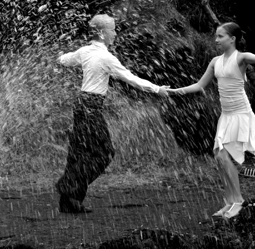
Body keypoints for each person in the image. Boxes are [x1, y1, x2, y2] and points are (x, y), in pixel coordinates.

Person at [171, 22, 255, 219]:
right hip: (226, 115)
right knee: (219, 157)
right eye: (216, 36)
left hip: (241, 114)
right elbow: (199, 85)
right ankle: (229, 201)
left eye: (220, 36)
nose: (216, 40)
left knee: (223, 156)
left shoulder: (241, 58)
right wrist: (173, 91)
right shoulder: (215, 61)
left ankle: (238, 201)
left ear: (232, 39)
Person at [55, 14, 174, 213]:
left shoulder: (85, 51)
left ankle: (69, 202)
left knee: (80, 152)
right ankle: (68, 187)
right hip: (90, 107)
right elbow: (131, 79)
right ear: (101, 33)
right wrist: (157, 89)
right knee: (104, 153)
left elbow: (65, 60)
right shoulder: (106, 58)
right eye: (112, 29)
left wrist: (59, 57)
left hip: (82, 104)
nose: (115, 33)